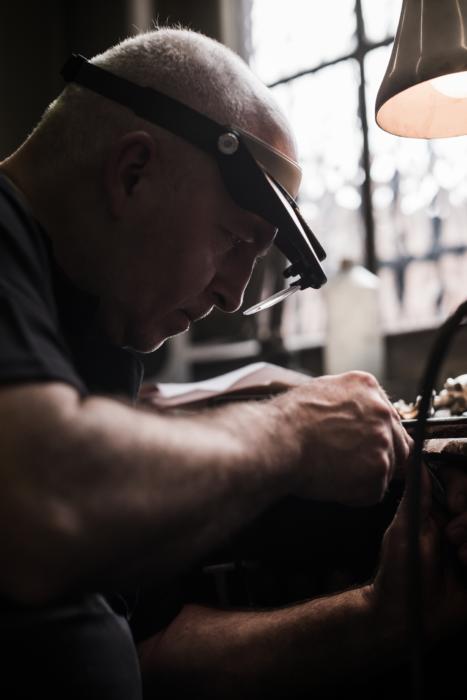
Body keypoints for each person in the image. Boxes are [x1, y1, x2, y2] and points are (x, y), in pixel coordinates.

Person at [0, 25, 463, 699]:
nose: (231, 294)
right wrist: (293, 431)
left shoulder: (97, 332)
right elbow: (38, 506)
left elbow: (145, 646)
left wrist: (384, 617)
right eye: (234, 239)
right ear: (133, 174)